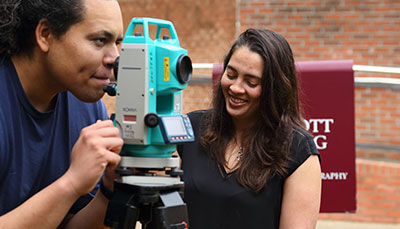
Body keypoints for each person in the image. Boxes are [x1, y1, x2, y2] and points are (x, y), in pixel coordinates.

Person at [178, 28, 321, 228]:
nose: (236, 88)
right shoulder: (191, 128)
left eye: (251, 82)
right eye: (231, 74)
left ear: (274, 89)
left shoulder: (298, 150)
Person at [0, 0, 124, 228]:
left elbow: (67, 223)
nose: (114, 59)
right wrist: (72, 183)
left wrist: (109, 189)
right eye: (100, 40)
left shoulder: (86, 106)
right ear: (45, 35)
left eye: (117, 43)